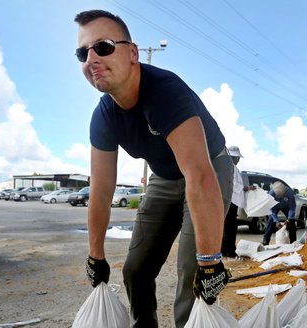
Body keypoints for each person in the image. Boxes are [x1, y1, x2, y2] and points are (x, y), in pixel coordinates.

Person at [74, 10, 234, 327]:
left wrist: (211, 262)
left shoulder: (165, 92)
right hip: (164, 178)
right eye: (83, 52)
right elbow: (102, 192)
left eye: (103, 46)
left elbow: (199, 175)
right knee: (135, 270)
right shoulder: (104, 116)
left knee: (193, 275)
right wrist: (96, 255)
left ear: (133, 53)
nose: (91, 58)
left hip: (209, 169)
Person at [221, 146, 255, 259]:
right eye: (237, 157)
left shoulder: (233, 168)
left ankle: (225, 249)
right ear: (232, 157)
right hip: (231, 201)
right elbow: (235, 185)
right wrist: (247, 188)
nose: (238, 160)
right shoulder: (230, 168)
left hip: (232, 201)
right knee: (230, 227)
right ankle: (229, 250)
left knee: (228, 226)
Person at [262, 181, 297, 245]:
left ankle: (293, 242)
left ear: (284, 191)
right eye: (278, 196)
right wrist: (276, 221)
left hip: (286, 206)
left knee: (292, 222)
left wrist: (289, 219)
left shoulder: (289, 193)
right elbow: (270, 209)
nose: (279, 197)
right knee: (271, 220)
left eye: (281, 196)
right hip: (275, 207)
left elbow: (292, 207)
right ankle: (265, 240)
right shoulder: (271, 193)